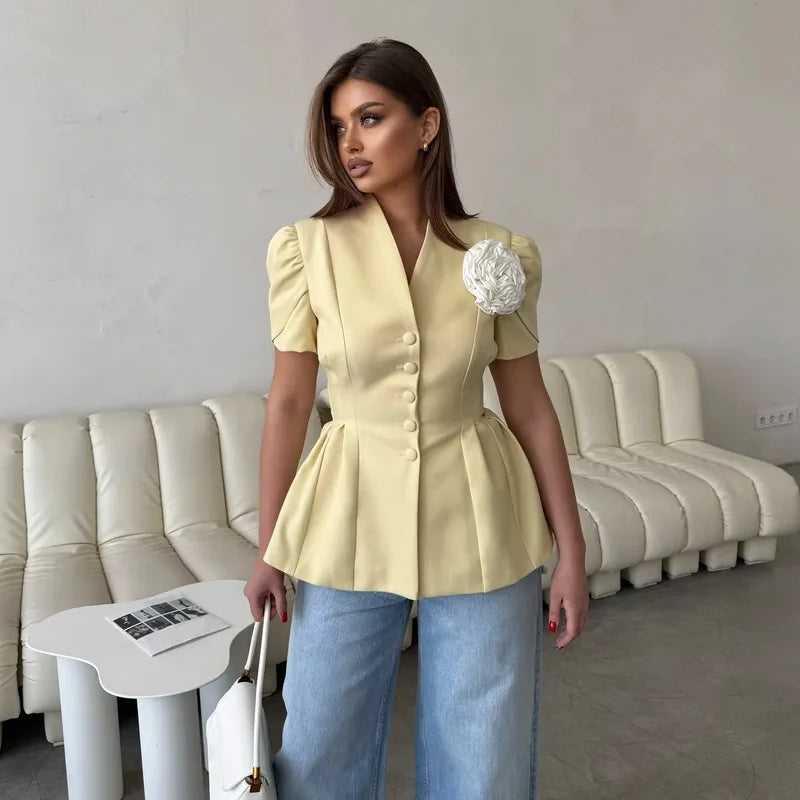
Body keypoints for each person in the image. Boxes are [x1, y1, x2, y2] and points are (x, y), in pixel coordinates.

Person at [244, 37, 589, 800]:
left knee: (483, 747)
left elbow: (529, 407)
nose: (351, 143)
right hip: (347, 514)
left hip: (481, 516)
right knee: (319, 743)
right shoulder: (309, 250)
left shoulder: (497, 254)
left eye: (371, 118)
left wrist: (570, 550)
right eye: (338, 128)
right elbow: (291, 402)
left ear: (427, 124)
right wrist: (270, 548)